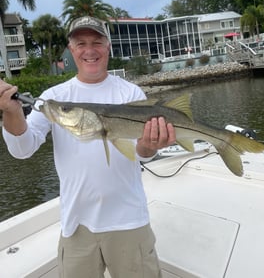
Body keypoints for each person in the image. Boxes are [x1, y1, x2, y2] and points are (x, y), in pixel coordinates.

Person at [0, 15, 176, 278]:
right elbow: (23, 149)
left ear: (108, 47)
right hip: (76, 224)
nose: (89, 50)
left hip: (129, 220)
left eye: (97, 42)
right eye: (81, 43)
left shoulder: (130, 94)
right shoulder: (54, 99)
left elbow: (142, 155)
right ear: (71, 50)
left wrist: (151, 146)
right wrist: (11, 112)